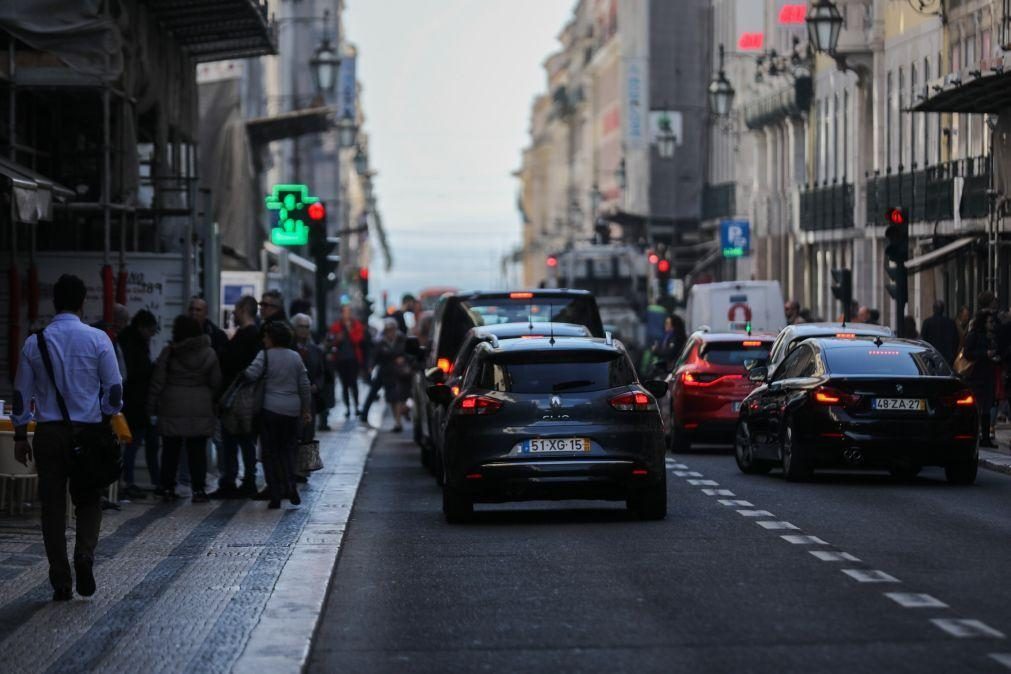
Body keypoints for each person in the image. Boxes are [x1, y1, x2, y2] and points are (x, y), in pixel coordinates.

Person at [12, 274, 123, 601]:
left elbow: (21, 394)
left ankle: (61, 578)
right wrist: (104, 413)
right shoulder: (99, 339)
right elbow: (114, 389)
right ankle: (85, 555)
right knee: (89, 498)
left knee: (52, 506)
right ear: (81, 303)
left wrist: (20, 435)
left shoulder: (35, 342)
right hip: (87, 432)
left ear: (54, 302)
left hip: (48, 434)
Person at [148, 315, 222, 503]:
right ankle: (198, 489)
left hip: (172, 404)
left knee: (170, 450)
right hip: (200, 404)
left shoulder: (170, 352)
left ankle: (167, 487)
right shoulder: (209, 353)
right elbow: (216, 382)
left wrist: (150, 406)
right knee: (197, 450)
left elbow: (158, 381)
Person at [243, 321, 311, 509]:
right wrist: (306, 410)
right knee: (288, 450)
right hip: (291, 411)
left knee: (270, 453)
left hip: (270, 410)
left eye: (266, 336)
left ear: (272, 338)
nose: (264, 340)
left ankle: (275, 494)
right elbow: (304, 385)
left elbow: (250, 374)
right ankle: (291, 486)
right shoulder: (295, 357)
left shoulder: (264, 355)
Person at [211, 295, 261, 499]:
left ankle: (237, 481)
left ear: (243, 310)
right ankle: (241, 480)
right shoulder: (250, 334)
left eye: (236, 310)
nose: (233, 313)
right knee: (242, 440)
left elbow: (231, 363)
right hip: (240, 395)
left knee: (237, 439)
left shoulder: (248, 335)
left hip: (237, 397)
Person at [118, 309, 160, 499]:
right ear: (142, 328)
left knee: (139, 443)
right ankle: (129, 482)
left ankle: (142, 481)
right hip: (135, 403)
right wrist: (152, 369)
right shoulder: (133, 344)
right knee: (133, 444)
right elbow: (136, 373)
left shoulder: (130, 341)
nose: (152, 335)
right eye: (151, 331)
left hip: (136, 402)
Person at [361, 318, 409, 431]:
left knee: (397, 397)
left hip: (399, 373)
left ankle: (398, 421)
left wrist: (404, 359)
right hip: (384, 372)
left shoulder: (402, 339)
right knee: (375, 394)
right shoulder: (381, 342)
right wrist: (370, 366)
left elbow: (409, 354)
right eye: (388, 330)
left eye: (392, 329)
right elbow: (374, 356)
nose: (390, 332)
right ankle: (364, 414)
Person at [963, 310, 999, 448]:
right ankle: (975, 435)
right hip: (976, 376)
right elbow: (968, 353)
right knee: (977, 406)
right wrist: (985, 354)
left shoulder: (990, 336)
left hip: (988, 375)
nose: (992, 324)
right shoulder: (974, 335)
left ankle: (985, 437)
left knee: (987, 408)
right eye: (990, 322)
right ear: (983, 323)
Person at [328, 305, 366, 418]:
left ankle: (356, 406)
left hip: (353, 359)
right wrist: (336, 339)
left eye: (349, 312)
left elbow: (358, 340)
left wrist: (350, 330)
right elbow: (331, 341)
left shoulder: (356, 325)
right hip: (341, 360)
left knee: (353, 383)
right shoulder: (336, 326)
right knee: (344, 385)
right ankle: (348, 408)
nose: (347, 314)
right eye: (345, 312)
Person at [292, 313, 326, 434]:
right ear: (294, 327)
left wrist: (317, 385)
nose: (304, 330)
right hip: (293, 397)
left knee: (308, 436)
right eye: (301, 326)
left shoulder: (315, 350)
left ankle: (308, 454)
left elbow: (321, 372)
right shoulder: (289, 348)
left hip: (310, 398)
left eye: (307, 327)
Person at [921, 300, 960, 365]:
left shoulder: (927, 322)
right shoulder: (951, 323)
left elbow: (923, 340)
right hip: (947, 357)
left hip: (932, 356)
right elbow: (956, 340)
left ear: (933, 309)